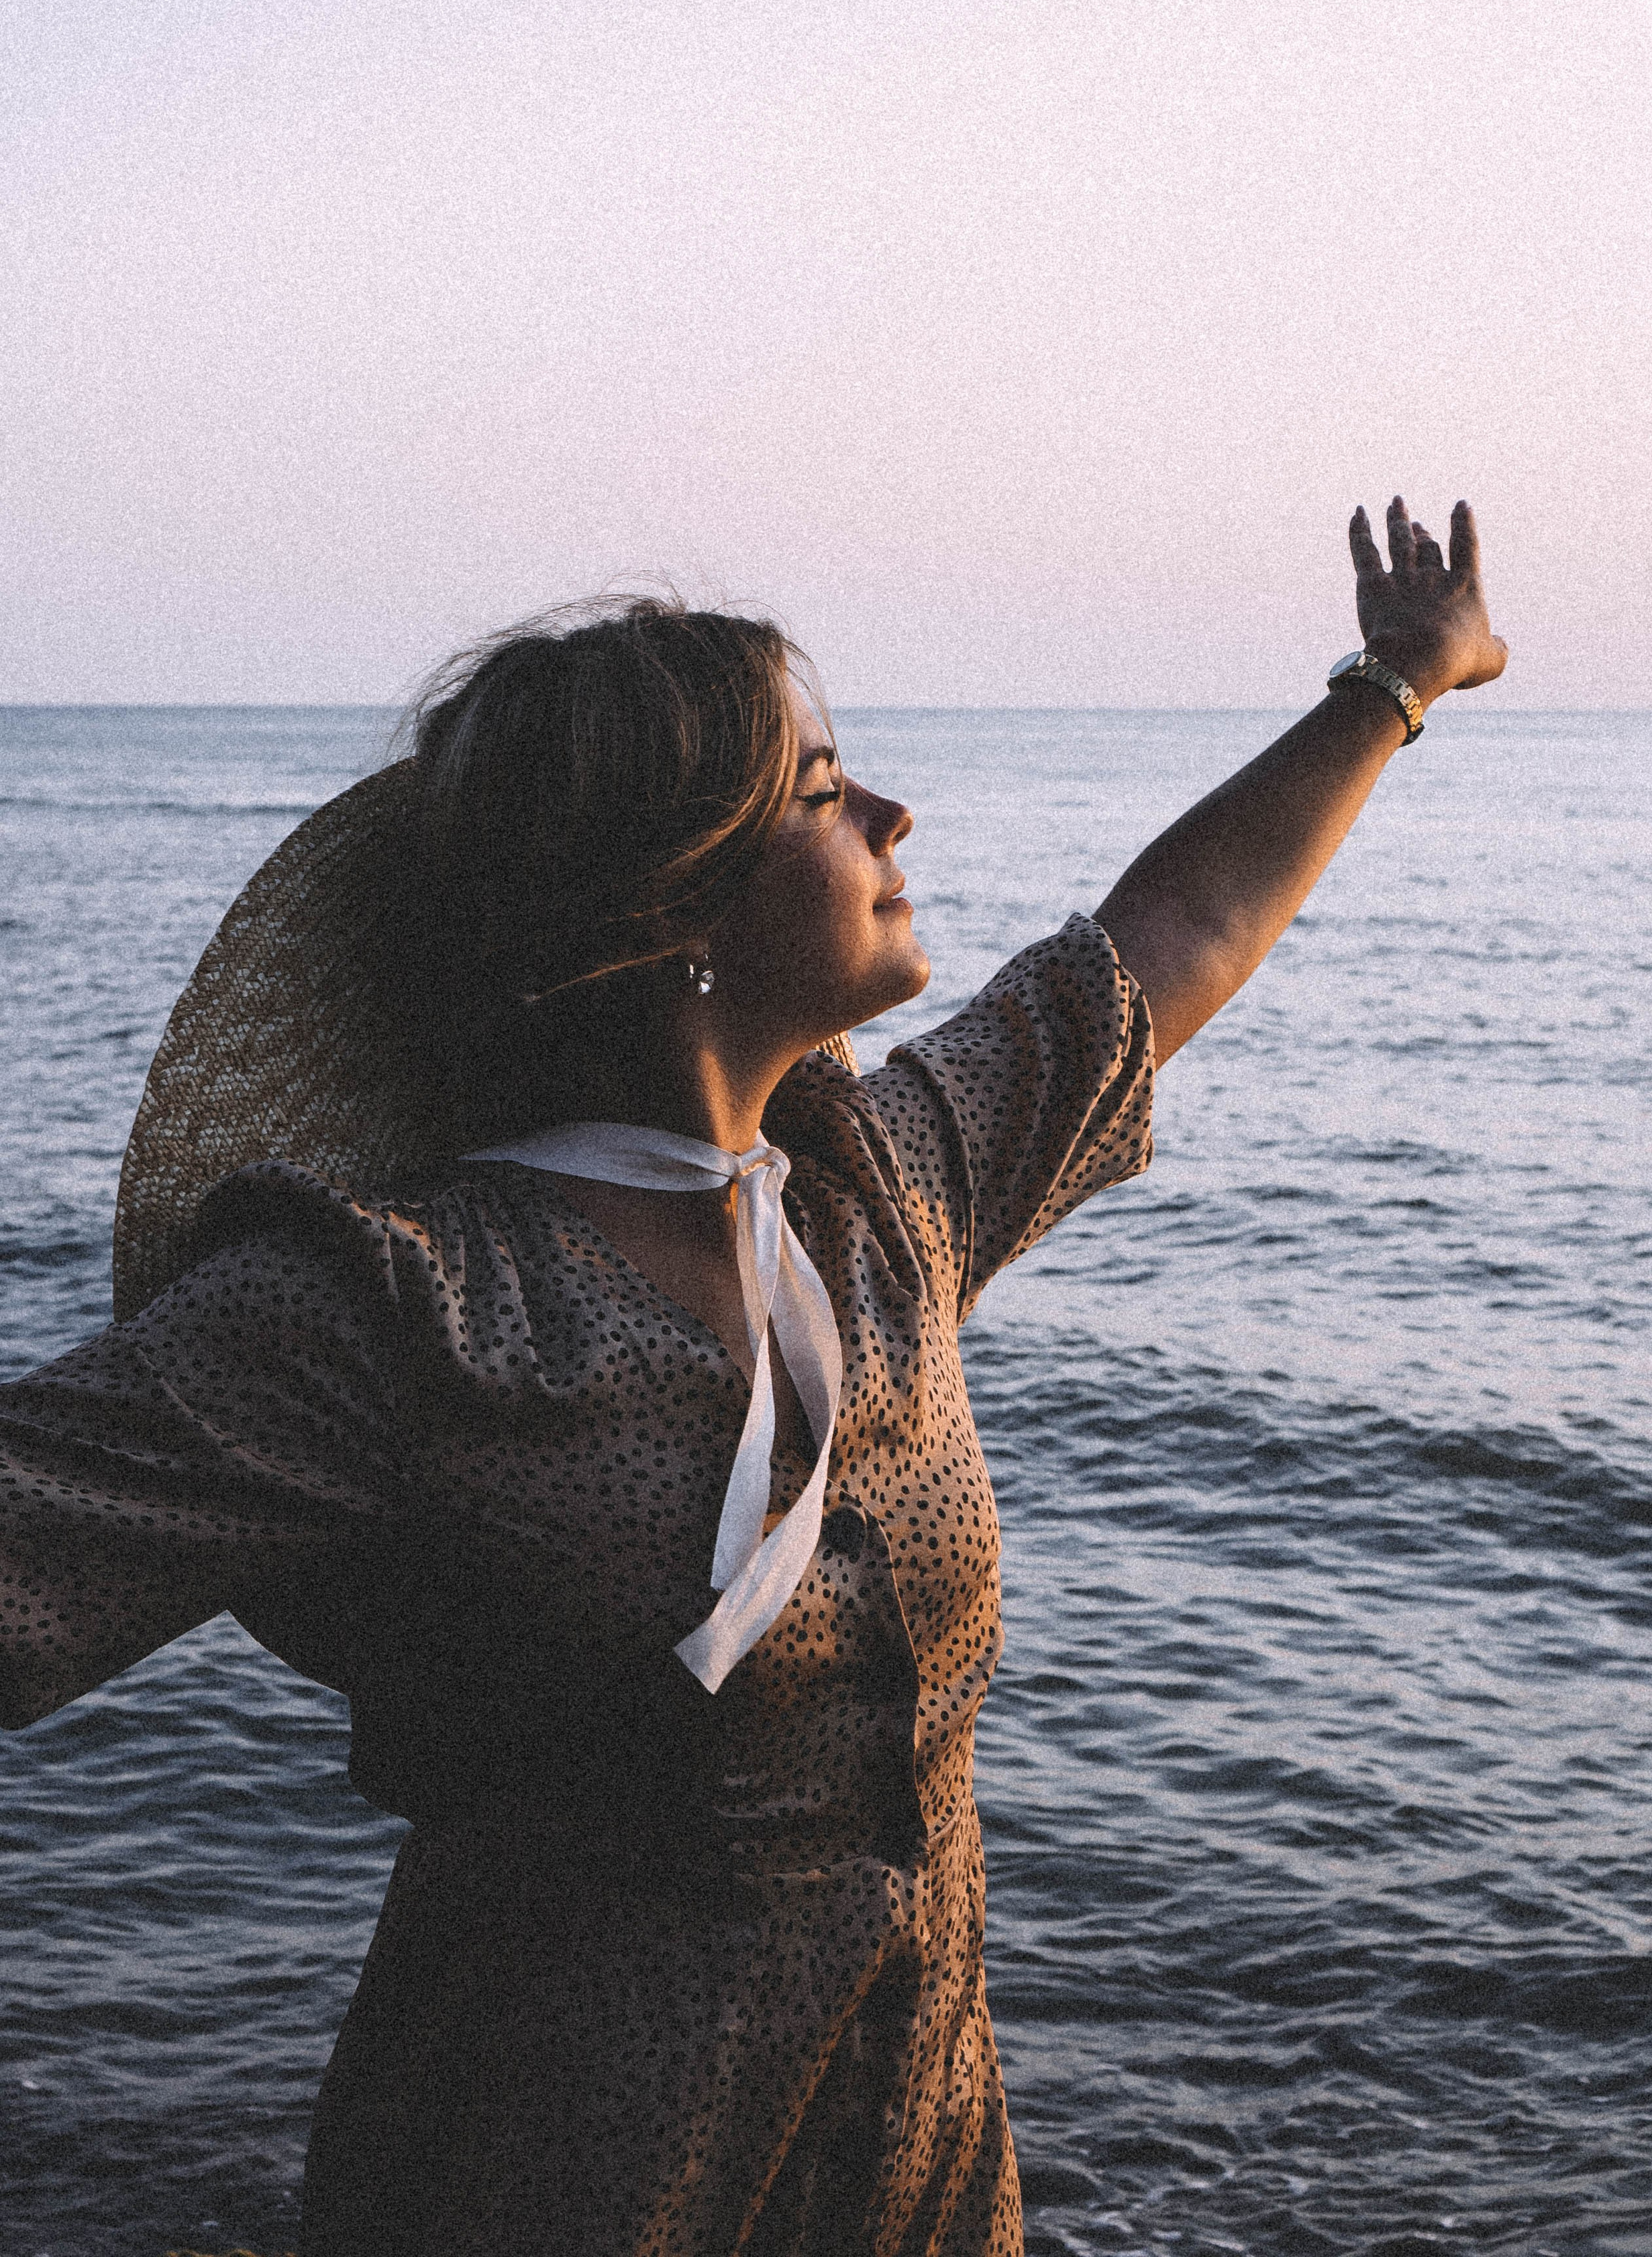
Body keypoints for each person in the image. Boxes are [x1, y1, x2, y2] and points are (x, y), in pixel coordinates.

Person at [1, 501, 1505, 2257]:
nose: (889, 815)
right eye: (818, 788)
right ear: (674, 896)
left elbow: (1169, 937)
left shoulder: (884, 1194)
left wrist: (1397, 680)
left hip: (919, 2184)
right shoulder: (383, 1311)